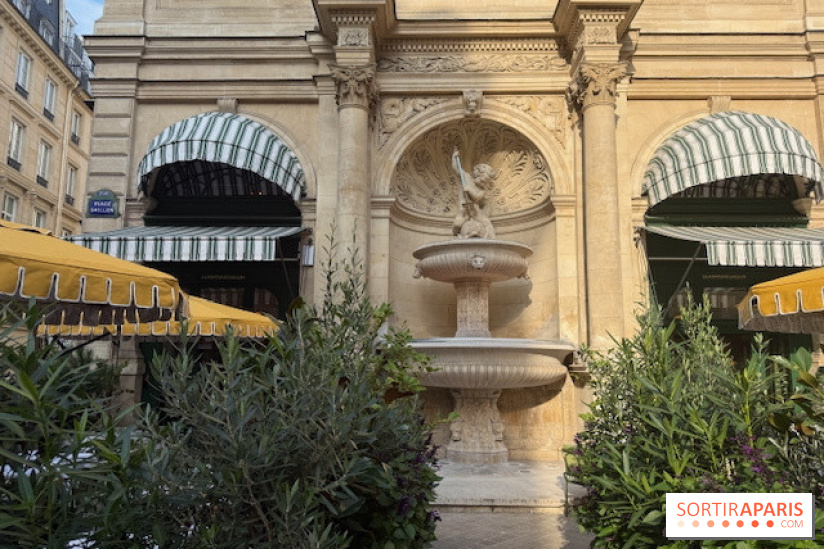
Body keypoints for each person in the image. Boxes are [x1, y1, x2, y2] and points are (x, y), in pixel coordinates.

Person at [451, 148, 497, 239]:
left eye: (484, 182)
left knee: (486, 222)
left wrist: (469, 190)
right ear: (476, 173)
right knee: (457, 225)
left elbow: (477, 198)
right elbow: (456, 169)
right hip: (464, 210)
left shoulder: (482, 190)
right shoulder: (466, 178)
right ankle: (459, 239)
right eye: (481, 179)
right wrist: (454, 157)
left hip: (475, 212)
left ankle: (493, 240)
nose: (482, 183)